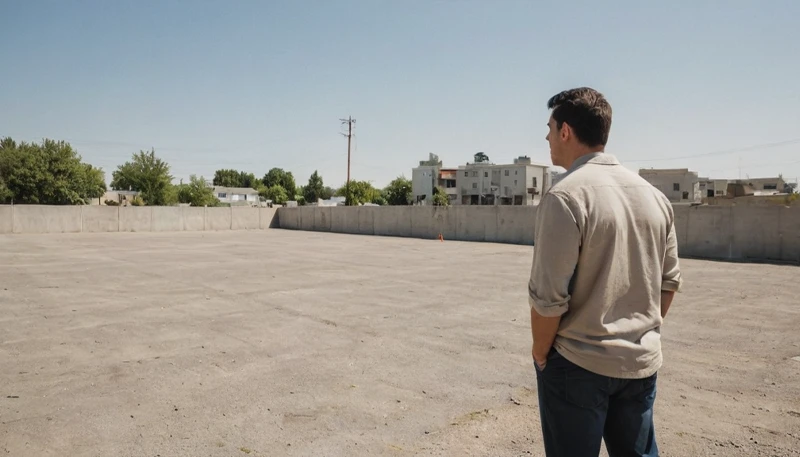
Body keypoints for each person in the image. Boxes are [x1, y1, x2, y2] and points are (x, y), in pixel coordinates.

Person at [528, 87, 681, 457]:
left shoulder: (565, 197)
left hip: (578, 363)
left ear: (566, 131)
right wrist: (637, 332)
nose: (546, 137)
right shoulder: (654, 197)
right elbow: (669, 282)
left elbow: (548, 300)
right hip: (640, 362)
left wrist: (540, 353)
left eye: (549, 128)